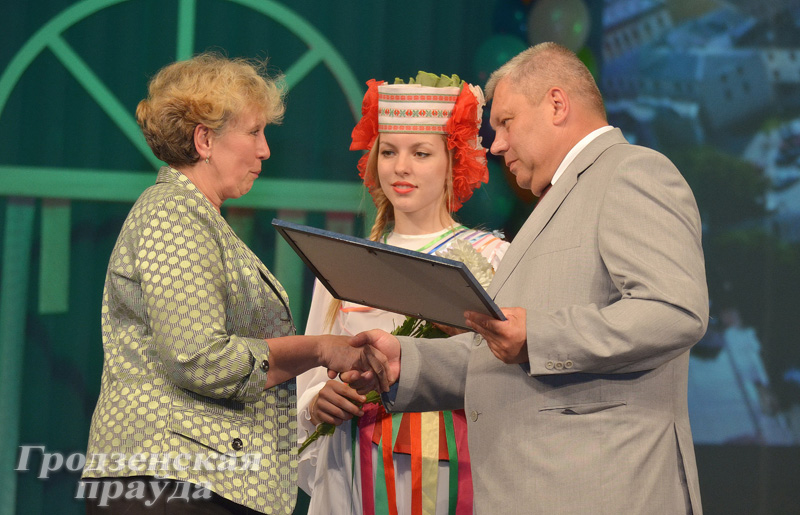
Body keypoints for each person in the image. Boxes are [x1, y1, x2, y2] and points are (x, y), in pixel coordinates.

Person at [347, 42, 710, 514]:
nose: (496, 144)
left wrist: (536, 336)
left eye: (506, 122)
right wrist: (407, 363)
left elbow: (673, 311)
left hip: (602, 492)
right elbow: (506, 349)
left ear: (556, 104)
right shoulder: (559, 198)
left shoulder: (631, 171)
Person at [80, 53, 390, 515]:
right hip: (170, 482)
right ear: (204, 139)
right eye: (254, 132)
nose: (265, 150)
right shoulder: (173, 212)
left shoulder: (196, 216)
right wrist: (320, 349)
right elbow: (199, 358)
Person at [296, 72, 509, 514]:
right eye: (389, 151)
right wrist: (318, 402)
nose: (401, 167)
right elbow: (311, 379)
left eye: (421, 153)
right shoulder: (342, 264)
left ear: (454, 160)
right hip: (357, 466)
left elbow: (508, 373)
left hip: (458, 470)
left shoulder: (493, 257)